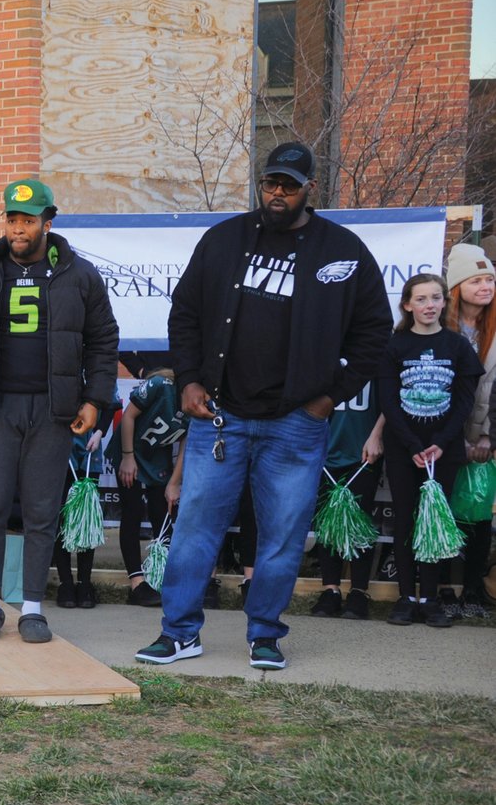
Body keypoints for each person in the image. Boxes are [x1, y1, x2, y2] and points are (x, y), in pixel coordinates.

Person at [135, 142, 391, 670]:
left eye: (289, 186)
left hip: (296, 422)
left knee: (282, 534)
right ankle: (179, 632)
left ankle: (265, 633)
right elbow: (184, 314)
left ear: (309, 190)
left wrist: (329, 398)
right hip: (220, 417)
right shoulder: (224, 239)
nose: (277, 193)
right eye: (270, 183)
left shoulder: (342, 251)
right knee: (195, 529)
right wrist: (188, 380)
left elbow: (374, 335)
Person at [0, 178, 118, 644]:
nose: (19, 228)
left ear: (48, 221)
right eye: (13, 219)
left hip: (53, 411)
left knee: (42, 511)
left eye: (28, 220)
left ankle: (31, 608)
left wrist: (94, 401)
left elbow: (104, 342)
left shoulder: (79, 274)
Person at [380, 274, 482, 627]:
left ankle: (432, 597)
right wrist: (411, 444)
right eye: (420, 299)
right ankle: (408, 597)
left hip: (445, 449)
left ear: (444, 303)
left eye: (435, 298)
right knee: (407, 518)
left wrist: (441, 441)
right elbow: (388, 401)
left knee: (436, 520)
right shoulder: (395, 346)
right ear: (408, 304)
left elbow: (465, 400)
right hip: (403, 449)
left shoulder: (457, 346)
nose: (429, 305)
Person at [437, 243, 496, 619]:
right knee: (443, 511)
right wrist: (451, 438)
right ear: (456, 287)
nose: (486, 286)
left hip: (487, 438)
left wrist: (490, 436)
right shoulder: (440, 328)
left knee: (479, 515)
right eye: (476, 280)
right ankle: (443, 588)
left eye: (490, 278)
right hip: (444, 438)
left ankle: (474, 586)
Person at [306, 382, 385, 620]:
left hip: (363, 450)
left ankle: (359, 590)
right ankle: (330, 589)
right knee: (327, 519)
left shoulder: (373, 357)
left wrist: (377, 434)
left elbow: (390, 397)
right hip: (326, 450)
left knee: (359, 519)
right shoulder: (325, 356)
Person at [110, 364, 187, 606]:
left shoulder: (201, 401)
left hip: (157, 457)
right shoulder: (160, 385)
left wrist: (174, 482)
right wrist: (128, 456)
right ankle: (137, 583)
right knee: (132, 512)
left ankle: (162, 578)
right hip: (130, 449)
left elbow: (188, 443)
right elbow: (129, 416)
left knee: (163, 515)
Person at [53, 391, 117, 608]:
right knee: (60, 516)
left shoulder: (98, 367)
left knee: (86, 518)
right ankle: (65, 584)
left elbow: (110, 403)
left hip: (91, 449)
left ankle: (85, 583)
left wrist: (100, 433)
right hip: (60, 448)